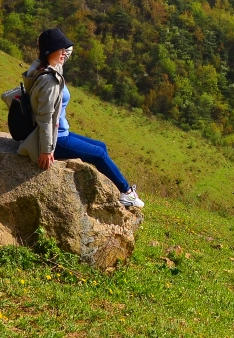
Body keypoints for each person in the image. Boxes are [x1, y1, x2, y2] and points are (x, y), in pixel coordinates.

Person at [17, 28, 144, 209]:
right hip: (56, 140)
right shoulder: (50, 82)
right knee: (99, 155)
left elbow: (65, 51)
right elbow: (45, 119)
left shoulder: (45, 66)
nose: (64, 52)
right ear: (49, 51)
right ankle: (126, 192)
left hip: (61, 132)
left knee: (101, 147)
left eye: (64, 48)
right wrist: (46, 150)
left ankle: (113, 189)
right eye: (60, 48)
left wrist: (54, 41)